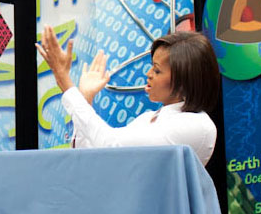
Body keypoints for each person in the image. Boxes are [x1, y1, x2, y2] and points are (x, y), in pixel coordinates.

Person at [36, 25, 220, 165]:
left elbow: (111, 146)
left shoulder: (197, 125)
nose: (148, 74)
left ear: (183, 81)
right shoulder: (147, 119)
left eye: (157, 70)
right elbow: (90, 156)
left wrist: (64, 81)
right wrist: (85, 97)